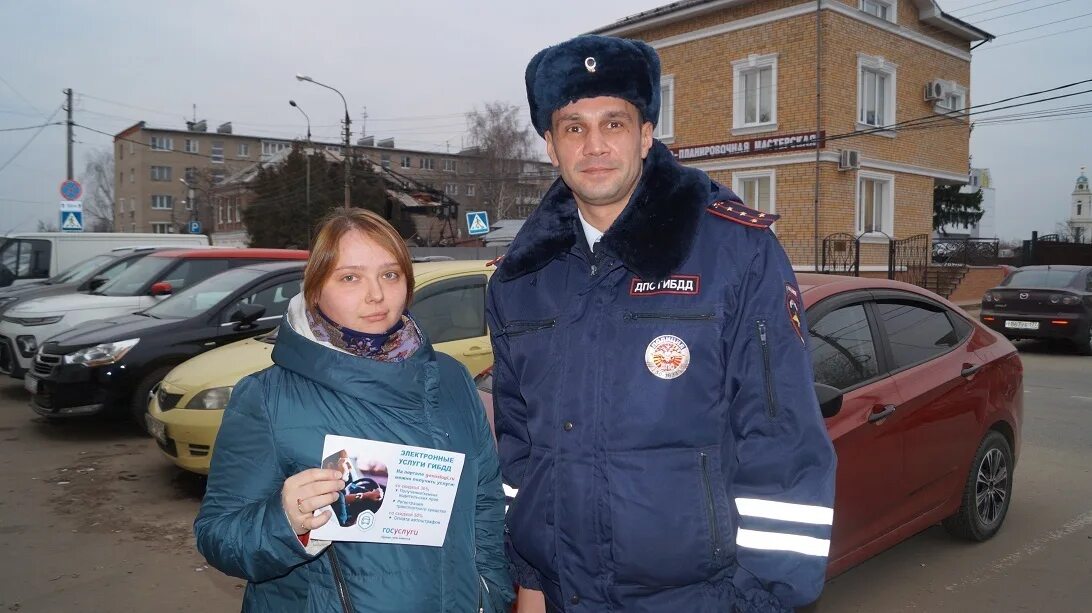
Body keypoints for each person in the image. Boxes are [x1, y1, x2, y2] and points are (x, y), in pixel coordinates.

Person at [486, 35, 837, 613]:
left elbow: (784, 443)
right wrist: (529, 578)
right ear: (550, 145)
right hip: (563, 595)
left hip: (701, 598)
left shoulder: (735, 251)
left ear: (646, 133)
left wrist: (764, 602)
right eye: (573, 127)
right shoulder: (520, 277)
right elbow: (520, 449)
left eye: (614, 123)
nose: (594, 145)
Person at [195, 209, 513, 612]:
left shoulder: (450, 379)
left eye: (390, 274)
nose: (376, 295)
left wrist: (490, 594)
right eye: (350, 277)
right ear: (315, 290)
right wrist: (285, 522)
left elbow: (483, 502)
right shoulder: (267, 397)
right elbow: (218, 536)